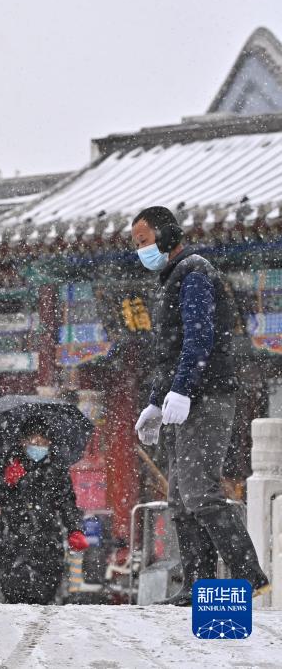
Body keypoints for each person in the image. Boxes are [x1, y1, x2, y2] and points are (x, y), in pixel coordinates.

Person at [131, 206, 270, 605]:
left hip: (206, 399)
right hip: (185, 399)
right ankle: (197, 585)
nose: (140, 251)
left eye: (144, 241)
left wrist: (184, 390)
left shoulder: (194, 274)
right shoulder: (171, 279)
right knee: (178, 499)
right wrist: (156, 403)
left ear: (167, 236)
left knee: (200, 494)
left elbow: (198, 340)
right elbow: (169, 353)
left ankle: (249, 574)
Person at [0, 419, 88, 604]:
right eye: (34, 442)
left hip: (47, 541)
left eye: (43, 442)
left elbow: (67, 502)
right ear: (23, 442)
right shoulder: (9, 462)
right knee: (14, 596)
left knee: (44, 597)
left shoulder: (57, 468)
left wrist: (75, 529)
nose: (39, 447)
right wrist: (7, 483)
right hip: (11, 538)